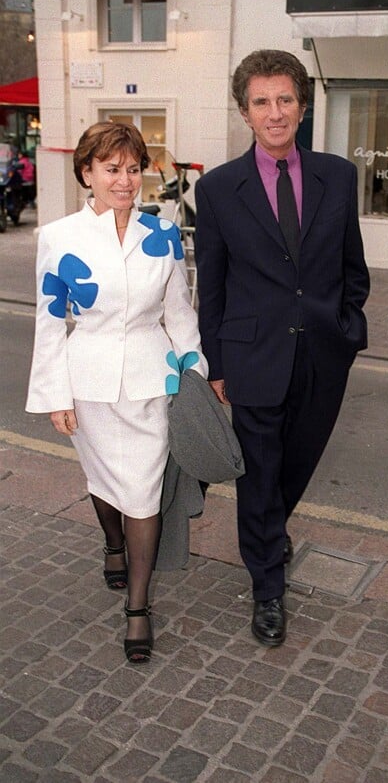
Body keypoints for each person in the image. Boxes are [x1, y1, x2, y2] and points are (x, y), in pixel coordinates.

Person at [194, 49, 370, 647]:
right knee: (259, 474)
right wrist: (217, 362)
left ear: (302, 104)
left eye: (285, 99)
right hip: (252, 356)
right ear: (245, 112)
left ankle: (271, 529)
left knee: (296, 465)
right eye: (262, 102)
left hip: (325, 351)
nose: (275, 113)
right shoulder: (217, 189)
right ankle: (267, 584)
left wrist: (347, 328)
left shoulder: (338, 175)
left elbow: (354, 266)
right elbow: (210, 283)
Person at [26, 122, 208, 664]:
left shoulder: (163, 232)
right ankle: (111, 545)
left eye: (133, 169)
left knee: (143, 492)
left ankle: (138, 608)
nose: (125, 180)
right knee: (105, 481)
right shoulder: (59, 238)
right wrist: (55, 394)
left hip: (153, 379)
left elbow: (179, 310)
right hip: (88, 383)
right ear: (88, 173)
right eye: (112, 169)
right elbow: (50, 322)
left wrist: (197, 371)